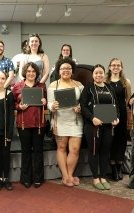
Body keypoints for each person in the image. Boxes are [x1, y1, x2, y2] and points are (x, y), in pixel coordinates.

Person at [80, 64, 119, 190]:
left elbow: (116, 106)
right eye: (96, 73)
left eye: (101, 73)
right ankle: (96, 178)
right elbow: (83, 107)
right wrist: (92, 118)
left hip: (108, 126)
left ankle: (103, 176)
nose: (98, 75)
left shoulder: (109, 88)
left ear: (104, 74)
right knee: (94, 151)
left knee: (105, 151)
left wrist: (117, 118)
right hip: (93, 126)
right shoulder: (88, 88)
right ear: (93, 75)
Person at [47, 58, 83, 187]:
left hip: (76, 120)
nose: (66, 71)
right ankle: (66, 176)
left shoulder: (79, 85)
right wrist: (52, 106)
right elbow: (49, 104)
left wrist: (80, 107)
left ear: (72, 70)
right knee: (61, 148)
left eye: (68, 68)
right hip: (60, 120)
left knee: (74, 149)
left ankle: (70, 174)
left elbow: (84, 103)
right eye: (63, 69)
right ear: (59, 71)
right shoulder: (53, 85)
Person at [12, 62, 47, 188]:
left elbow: (46, 105)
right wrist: (19, 106)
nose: (31, 73)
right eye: (29, 71)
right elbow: (13, 104)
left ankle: (38, 178)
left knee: (38, 151)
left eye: (33, 71)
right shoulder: (17, 86)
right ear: (25, 73)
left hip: (39, 124)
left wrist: (44, 101)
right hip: (23, 124)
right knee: (26, 151)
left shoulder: (42, 86)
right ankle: (26, 178)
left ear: (36, 73)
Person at [106, 58, 132, 181]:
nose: (116, 67)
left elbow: (128, 100)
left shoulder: (126, 82)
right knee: (111, 139)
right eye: (113, 65)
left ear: (121, 67)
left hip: (122, 113)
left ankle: (119, 166)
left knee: (121, 140)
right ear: (109, 67)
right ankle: (113, 168)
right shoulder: (105, 81)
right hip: (109, 113)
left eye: (118, 65)